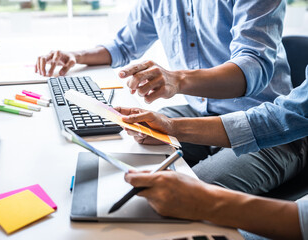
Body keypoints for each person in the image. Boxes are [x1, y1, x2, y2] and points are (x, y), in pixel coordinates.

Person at [35, 0, 306, 195]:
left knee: (184, 193)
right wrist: (76, 56)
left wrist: (177, 80)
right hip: (200, 113)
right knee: (116, 158)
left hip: (271, 130)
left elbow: (253, 67)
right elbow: (124, 44)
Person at [117, 66, 308, 239]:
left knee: (175, 201)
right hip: (231, 117)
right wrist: (172, 127)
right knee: (137, 153)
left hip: (283, 141)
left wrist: (207, 202)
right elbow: (281, 116)